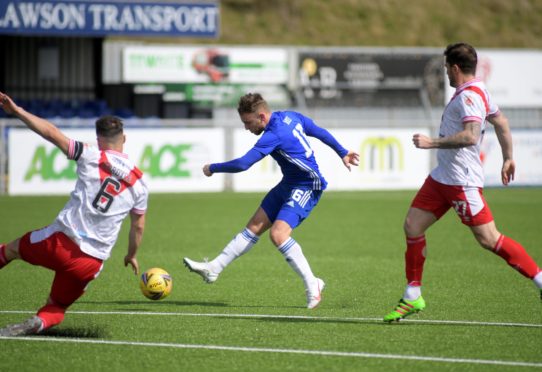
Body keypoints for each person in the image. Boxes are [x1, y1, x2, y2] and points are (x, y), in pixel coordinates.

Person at [383, 43, 542, 322]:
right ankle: (412, 296)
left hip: (461, 183)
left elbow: (470, 136)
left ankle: (540, 279)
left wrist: (431, 142)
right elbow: (501, 122)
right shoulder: (478, 90)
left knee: (489, 239)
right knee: (412, 225)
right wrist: (508, 157)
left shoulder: (470, 97)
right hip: (441, 179)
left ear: (455, 68)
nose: (445, 72)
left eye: (446, 68)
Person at [183, 93, 359, 309]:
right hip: (288, 183)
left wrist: (213, 168)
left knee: (278, 235)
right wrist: (342, 152)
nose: (246, 128)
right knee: (254, 227)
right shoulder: (290, 116)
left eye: (248, 122)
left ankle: (313, 284)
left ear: (262, 116)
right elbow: (318, 132)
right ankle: (214, 268)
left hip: (307, 185)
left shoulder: (273, 135)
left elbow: (242, 164)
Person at [0, 92, 148, 336]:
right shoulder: (140, 184)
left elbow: (51, 133)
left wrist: (17, 112)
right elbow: (138, 226)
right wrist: (131, 255)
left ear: (98, 139)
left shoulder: (90, 154)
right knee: (56, 306)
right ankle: (38, 322)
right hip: (90, 262)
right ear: (125, 138)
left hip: (60, 243)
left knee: (11, 250)